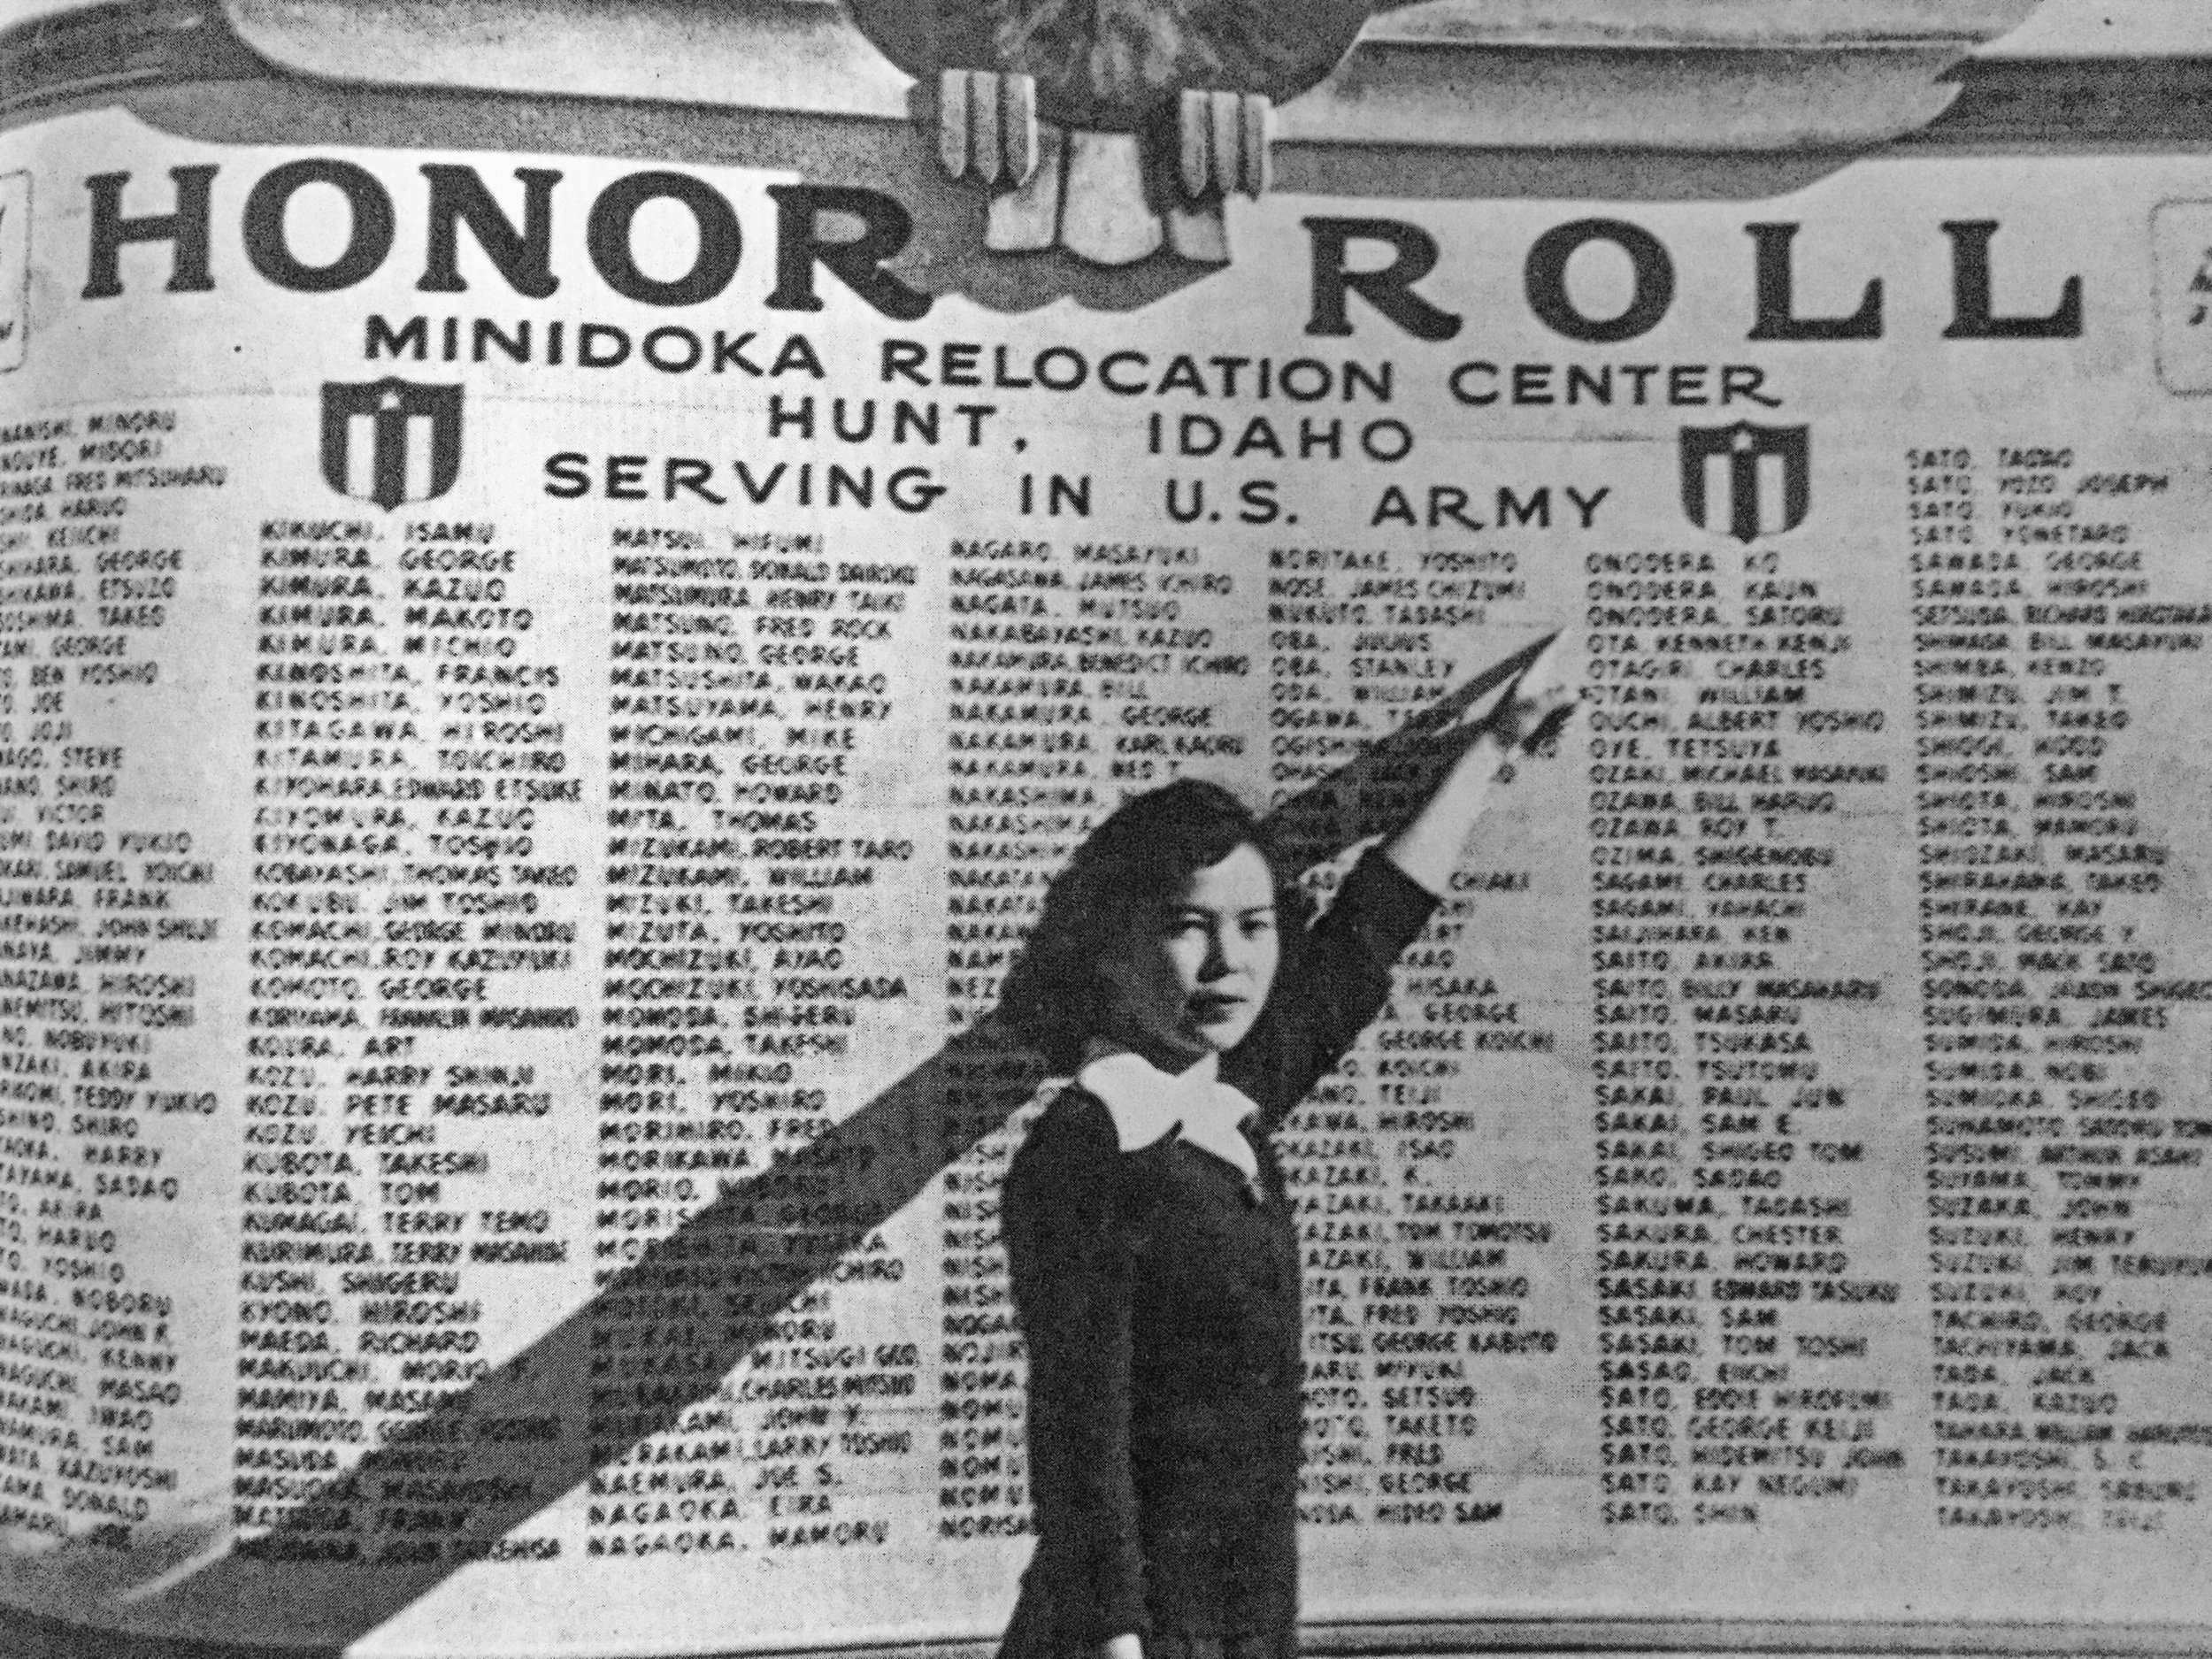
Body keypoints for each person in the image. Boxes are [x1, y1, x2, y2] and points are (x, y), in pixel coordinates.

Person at [994, 641, 1574, 1659]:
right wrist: (1119, 1641)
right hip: (1125, 1637)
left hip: (1244, 1613)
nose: (1229, 963)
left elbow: (1367, 933)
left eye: (1254, 925)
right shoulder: (1086, 1148)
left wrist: (1500, 741)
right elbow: (1078, 1431)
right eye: (1186, 926)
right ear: (1105, 941)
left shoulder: (1225, 1103)